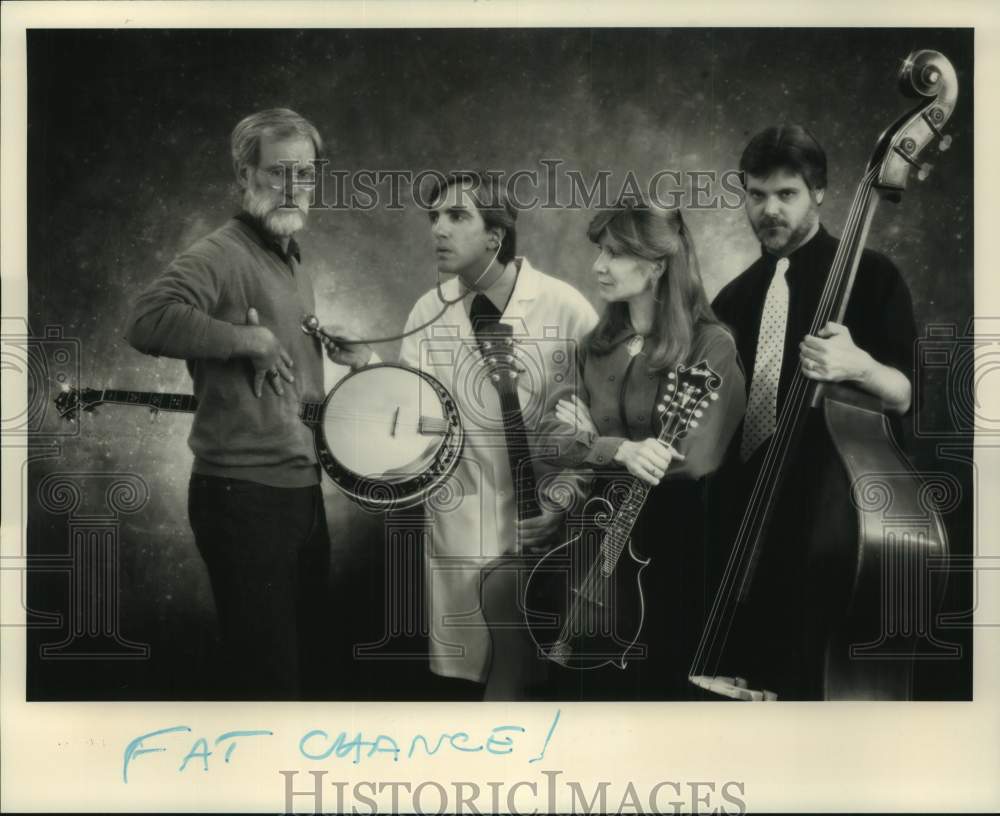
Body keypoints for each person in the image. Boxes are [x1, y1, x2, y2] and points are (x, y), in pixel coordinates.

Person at [125, 108, 368, 699]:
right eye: (278, 171)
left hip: (298, 493)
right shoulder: (223, 252)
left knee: (307, 668)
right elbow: (146, 320)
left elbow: (281, 367)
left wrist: (332, 352)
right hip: (242, 499)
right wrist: (247, 339)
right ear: (244, 174)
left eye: (305, 174)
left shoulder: (289, 254)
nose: (293, 188)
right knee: (269, 682)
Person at [705, 124, 919, 699]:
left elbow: (905, 393)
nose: (769, 210)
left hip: (831, 520)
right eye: (756, 194)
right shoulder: (731, 300)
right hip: (745, 522)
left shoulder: (872, 277)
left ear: (819, 192)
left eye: (786, 194)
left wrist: (859, 366)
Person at [392, 170, 599, 699]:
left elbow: (596, 429)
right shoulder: (426, 312)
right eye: (434, 217)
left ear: (496, 235)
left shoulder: (567, 309)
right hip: (460, 528)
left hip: (546, 534)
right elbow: (414, 423)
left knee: (541, 687)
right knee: (469, 690)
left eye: (457, 216)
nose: (438, 229)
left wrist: (560, 502)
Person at [538, 198, 746, 701]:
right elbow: (549, 438)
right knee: (587, 685)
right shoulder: (593, 346)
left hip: (673, 541)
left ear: (656, 265)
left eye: (614, 253)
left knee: (658, 684)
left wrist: (591, 441)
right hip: (594, 532)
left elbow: (694, 458)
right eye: (599, 251)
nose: (597, 266)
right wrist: (622, 450)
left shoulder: (710, 345)